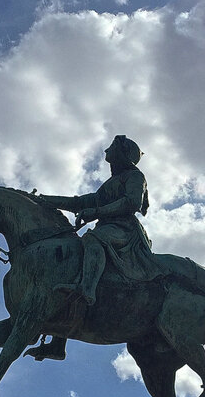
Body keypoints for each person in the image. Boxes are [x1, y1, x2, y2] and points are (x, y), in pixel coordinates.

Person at [26, 135, 158, 361]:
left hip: (125, 231)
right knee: (73, 255)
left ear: (122, 154)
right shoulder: (110, 184)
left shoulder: (135, 176)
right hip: (109, 227)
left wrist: (96, 213)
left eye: (111, 149)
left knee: (92, 240)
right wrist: (46, 200)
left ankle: (87, 288)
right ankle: (58, 343)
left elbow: (131, 203)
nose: (106, 151)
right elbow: (80, 201)